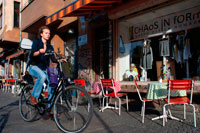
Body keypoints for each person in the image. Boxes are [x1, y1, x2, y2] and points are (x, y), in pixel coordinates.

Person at [28, 26, 58, 106]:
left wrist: (61, 60)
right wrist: (39, 52)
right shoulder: (36, 43)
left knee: (52, 83)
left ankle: (50, 107)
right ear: (41, 34)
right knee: (42, 76)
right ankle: (33, 95)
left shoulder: (49, 46)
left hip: (44, 68)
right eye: (46, 33)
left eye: (49, 33)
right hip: (34, 67)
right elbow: (32, 55)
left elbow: (53, 59)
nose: (48, 35)